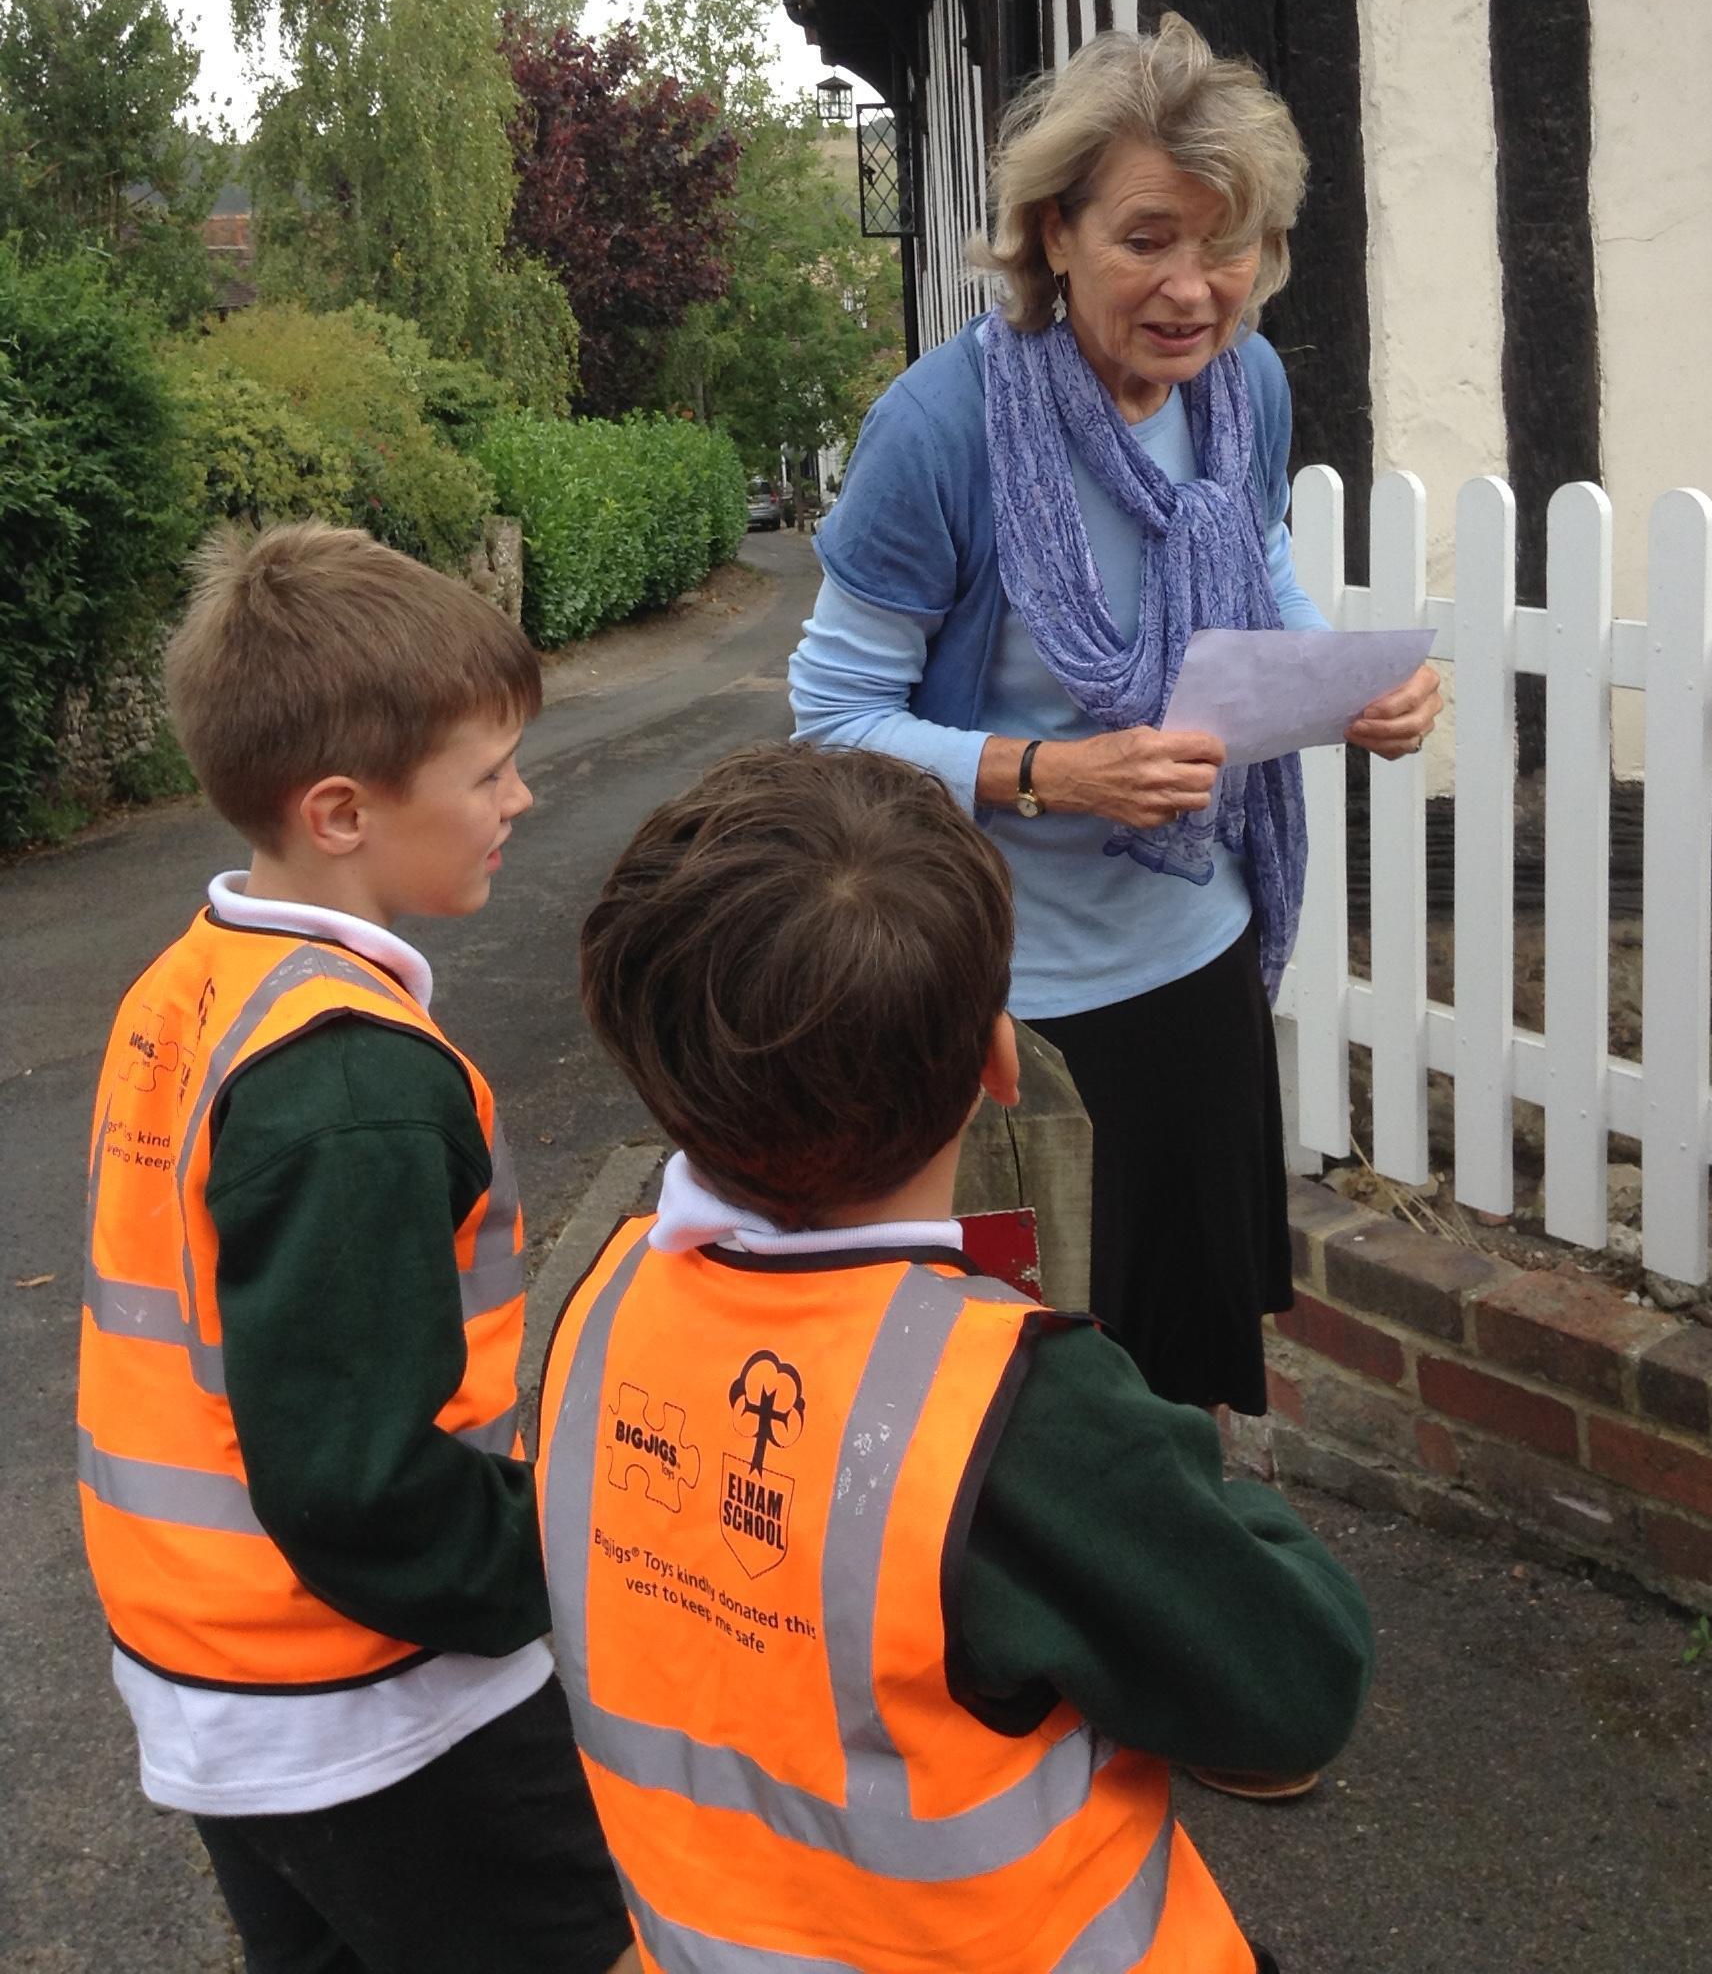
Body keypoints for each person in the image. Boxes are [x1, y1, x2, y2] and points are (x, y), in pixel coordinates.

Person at [540, 743, 1373, 1972]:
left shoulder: (602, 1304)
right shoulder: (1027, 1412)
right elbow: (1294, 1687)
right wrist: (1196, 1490)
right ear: (1000, 1061)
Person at [790, 14, 1440, 1417]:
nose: (1194, 289)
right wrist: (1054, 774)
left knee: (1183, 1374)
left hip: (1200, 956)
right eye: (1148, 238)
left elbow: (1256, 565)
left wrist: (1345, 680)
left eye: (1230, 242)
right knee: (1026, 1400)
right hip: (1010, 1005)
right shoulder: (940, 431)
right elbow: (831, 719)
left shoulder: (1241, 385)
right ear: (1055, 233)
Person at [76, 523, 635, 1974]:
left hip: (215, 1681)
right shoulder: (352, 1083)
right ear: (340, 811)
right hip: (377, 1706)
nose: (520, 798)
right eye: (487, 773)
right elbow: (357, 1482)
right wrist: (569, 1574)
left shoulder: (194, 984)